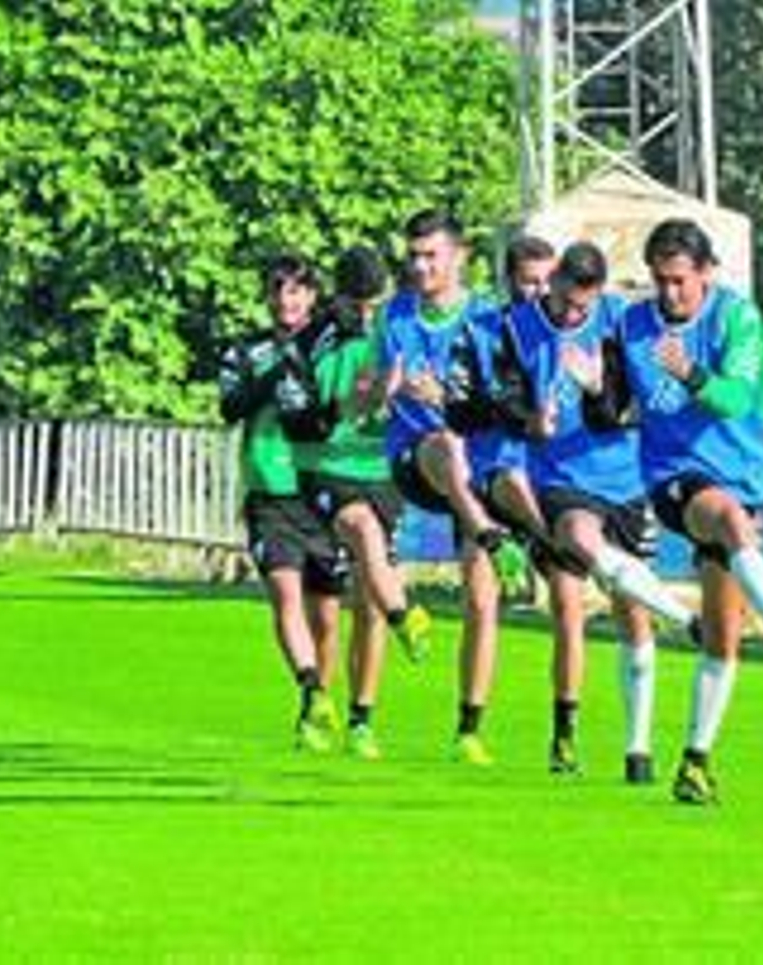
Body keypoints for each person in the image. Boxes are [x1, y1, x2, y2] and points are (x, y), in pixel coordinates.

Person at [620, 218, 763, 805]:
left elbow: (734, 399)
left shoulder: (737, 318)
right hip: (674, 477)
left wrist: (687, 371)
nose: (669, 294)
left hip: (742, 475)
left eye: (680, 281)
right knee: (731, 522)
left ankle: (695, 763)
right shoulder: (632, 324)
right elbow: (610, 394)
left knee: (723, 635)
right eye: (660, 281)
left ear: (707, 273)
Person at [506, 241, 704, 782]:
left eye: (583, 306)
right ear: (555, 283)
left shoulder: (621, 319)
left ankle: (638, 751)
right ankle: (565, 733)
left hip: (624, 481)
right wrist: (531, 420)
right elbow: (502, 400)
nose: (575, 315)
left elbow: (641, 395)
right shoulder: (518, 327)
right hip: (559, 482)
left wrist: (601, 388)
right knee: (570, 586)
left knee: (630, 613)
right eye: (567, 302)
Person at [379, 209, 530, 765]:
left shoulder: (489, 321)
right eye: (413, 257)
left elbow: (501, 409)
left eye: (430, 256)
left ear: (460, 257)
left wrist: (444, 397)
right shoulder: (395, 316)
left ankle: (468, 728)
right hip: (417, 463)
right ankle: (491, 534)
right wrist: (388, 390)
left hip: (473, 464)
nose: (420, 267)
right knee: (444, 445)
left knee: (481, 598)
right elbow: (367, 401)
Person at [299, 245, 433, 759]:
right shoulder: (324, 339)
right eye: (358, 304)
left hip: (384, 471)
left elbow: (428, 391)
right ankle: (315, 701)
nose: (367, 314)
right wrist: (374, 394)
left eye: (374, 304)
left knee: (369, 600)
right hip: (331, 467)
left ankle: (361, 718)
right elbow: (337, 408)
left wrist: (419, 393)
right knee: (330, 603)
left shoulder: (400, 327)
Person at [217, 254, 350, 754]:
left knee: (328, 614)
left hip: (321, 487)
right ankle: (311, 688)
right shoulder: (247, 349)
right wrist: (271, 378)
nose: (286, 301)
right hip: (269, 488)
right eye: (277, 291)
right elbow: (229, 406)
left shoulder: (328, 344)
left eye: (296, 291)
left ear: (311, 296)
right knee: (285, 595)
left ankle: (319, 704)